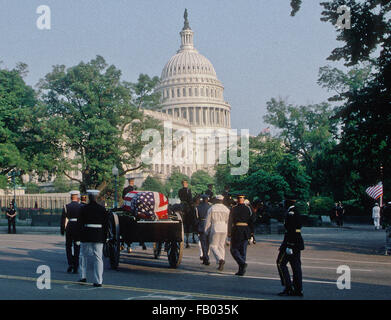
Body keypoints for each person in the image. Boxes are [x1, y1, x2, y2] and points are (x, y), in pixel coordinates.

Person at [77, 189, 108, 287]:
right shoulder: (102, 209)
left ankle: (82, 276)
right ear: (96, 197)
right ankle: (98, 280)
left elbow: (80, 223)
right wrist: (104, 237)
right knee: (98, 258)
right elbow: (106, 225)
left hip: (86, 234)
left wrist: (79, 236)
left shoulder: (83, 208)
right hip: (98, 235)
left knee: (83, 256)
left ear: (89, 197)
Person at [276, 199, 305, 297]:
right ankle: (298, 289)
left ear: (288, 202)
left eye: (284, 201)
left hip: (290, 242)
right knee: (296, 266)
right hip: (297, 242)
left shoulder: (291, 213)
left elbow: (292, 229)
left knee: (280, 263)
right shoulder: (296, 211)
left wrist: (289, 245)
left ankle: (288, 287)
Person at [228, 195, 254, 276]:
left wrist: (229, 231)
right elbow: (252, 220)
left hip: (237, 230)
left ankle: (242, 265)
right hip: (245, 230)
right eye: (240, 198)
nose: (240, 199)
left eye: (240, 198)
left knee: (234, 249)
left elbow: (230, 221)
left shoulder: (234, 208)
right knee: (242, 251)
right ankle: (242, 267)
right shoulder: (248, 208)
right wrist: (252, 232)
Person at [205, 195, 231, 271]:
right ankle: (221, 261)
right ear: (222, 200)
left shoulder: (212, 208)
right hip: (224, 227)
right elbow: (228, 220)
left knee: (213, 246)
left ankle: (220, 260)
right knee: (221, 246)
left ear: (215, 200)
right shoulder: (226, 209)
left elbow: (208, 221)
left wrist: (206, 231)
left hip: (215, 226)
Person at [60, 190, 82, 273]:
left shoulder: (66, 206)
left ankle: (70, 263)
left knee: (68, 246)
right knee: (77, 246)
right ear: (78, 197)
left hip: (69, 227)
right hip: (78, 227)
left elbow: (63, 219)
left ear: (71, 197)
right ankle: (76, 264)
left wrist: (62, 230)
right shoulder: (81, 206)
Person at [178, 179, 195, 248]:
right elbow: (186, 197)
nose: (185, 184)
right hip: (185, 203)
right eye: (184, 183)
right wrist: (190, 202)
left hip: (185, 203)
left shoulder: (186, 190)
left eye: (185, 183)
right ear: (183, 184)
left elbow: (189, 197)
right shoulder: (184, 190)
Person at [196, 194, 211, 265]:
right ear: (207, 199)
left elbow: (196, 217)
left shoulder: (198, 207)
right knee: (207, 242)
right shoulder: (210, 207)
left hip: (201, 224)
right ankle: (206, 256)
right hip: (209, 225)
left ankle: (205, 256)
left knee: (203, 242)